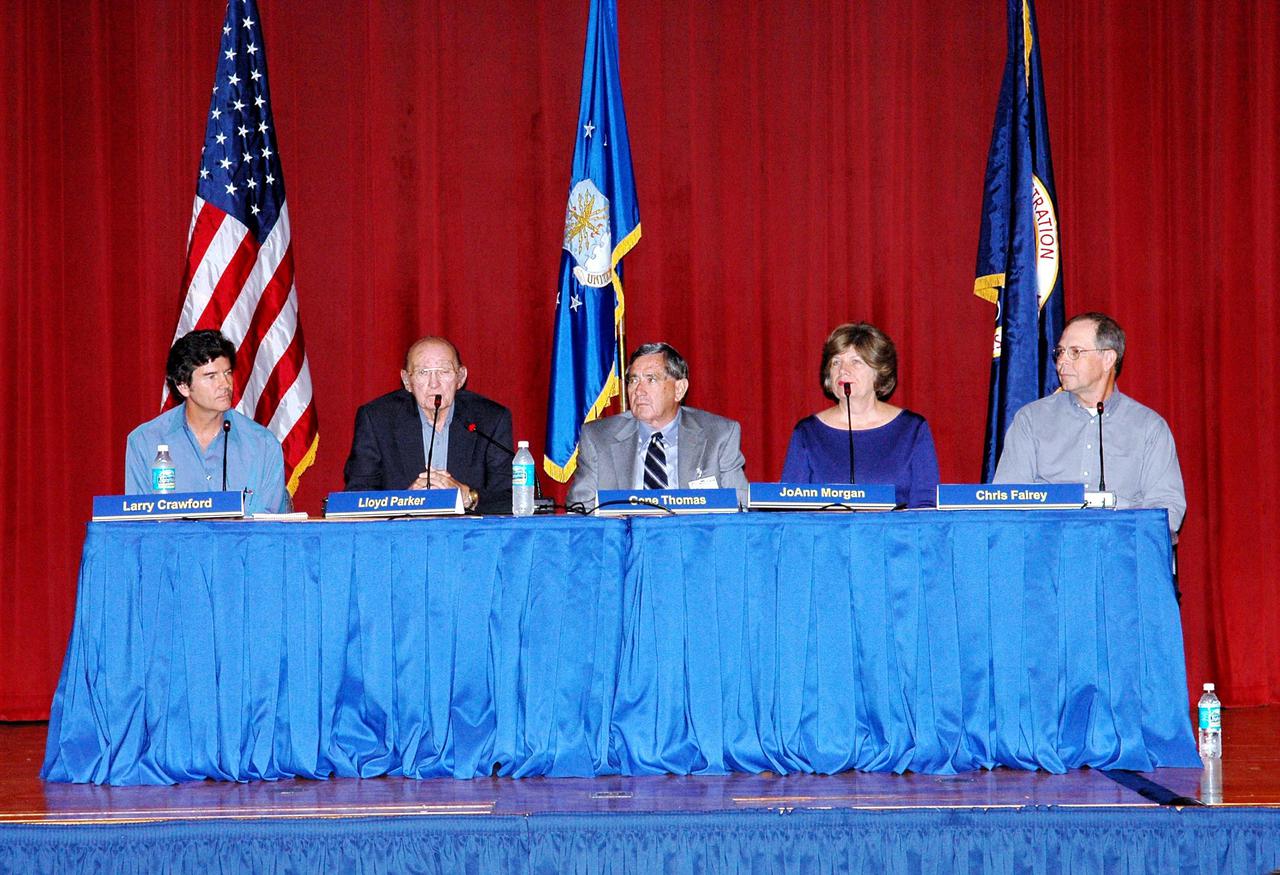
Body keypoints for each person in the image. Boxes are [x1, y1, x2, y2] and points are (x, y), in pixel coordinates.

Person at [994, 312, 1186, 533]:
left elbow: (1168, 510)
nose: (1062, 361)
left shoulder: (1148, 428)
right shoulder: (1031, 420)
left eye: (1075, 352)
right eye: (1060, 352)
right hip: (1049, 550)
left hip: (1120, 552)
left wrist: (1113, 516)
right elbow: (1007, 499)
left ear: (1108, 359)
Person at [567, 342, 749, 509]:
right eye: (633, 380)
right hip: (625, 542)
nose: (638, 390)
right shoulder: (598, 438)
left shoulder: (719, 436)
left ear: (679, 389)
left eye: (651, 379)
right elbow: (581, 510)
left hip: (694, 542)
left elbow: (741, 507)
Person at [125, 329, 287, 515]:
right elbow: (138, 525)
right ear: (183, 386)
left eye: (227, 373)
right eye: (211, 376)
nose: (225, 384)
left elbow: (268, 529)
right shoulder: (145, 442)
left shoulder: (263, 445)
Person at [344, 336, 513, 514]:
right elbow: (357, 495)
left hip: (469, 536)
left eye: (444, 371)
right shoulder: (377, 419)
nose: (434, 383)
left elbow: (512, 497)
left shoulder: (490, 419)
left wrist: (468, 496)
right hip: (403, 536)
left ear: (461, 377)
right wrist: (405, 501)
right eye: (423, 372)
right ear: (407, 381)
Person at [780, 322, 940, 508]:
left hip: (895, 536)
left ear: (879, 372)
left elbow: (926, 506)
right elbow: (790, 506)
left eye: (855, 362)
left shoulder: (912, 429)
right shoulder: (808, 432)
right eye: (836, 362)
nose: (842, 370)